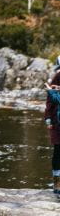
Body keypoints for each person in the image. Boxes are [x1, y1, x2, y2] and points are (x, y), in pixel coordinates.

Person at [45, 56, 60, 194]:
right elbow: (49, 102)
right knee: (57, 152)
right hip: (57, 122)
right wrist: (48, 119)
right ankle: (57, 184)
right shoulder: (56, 77)